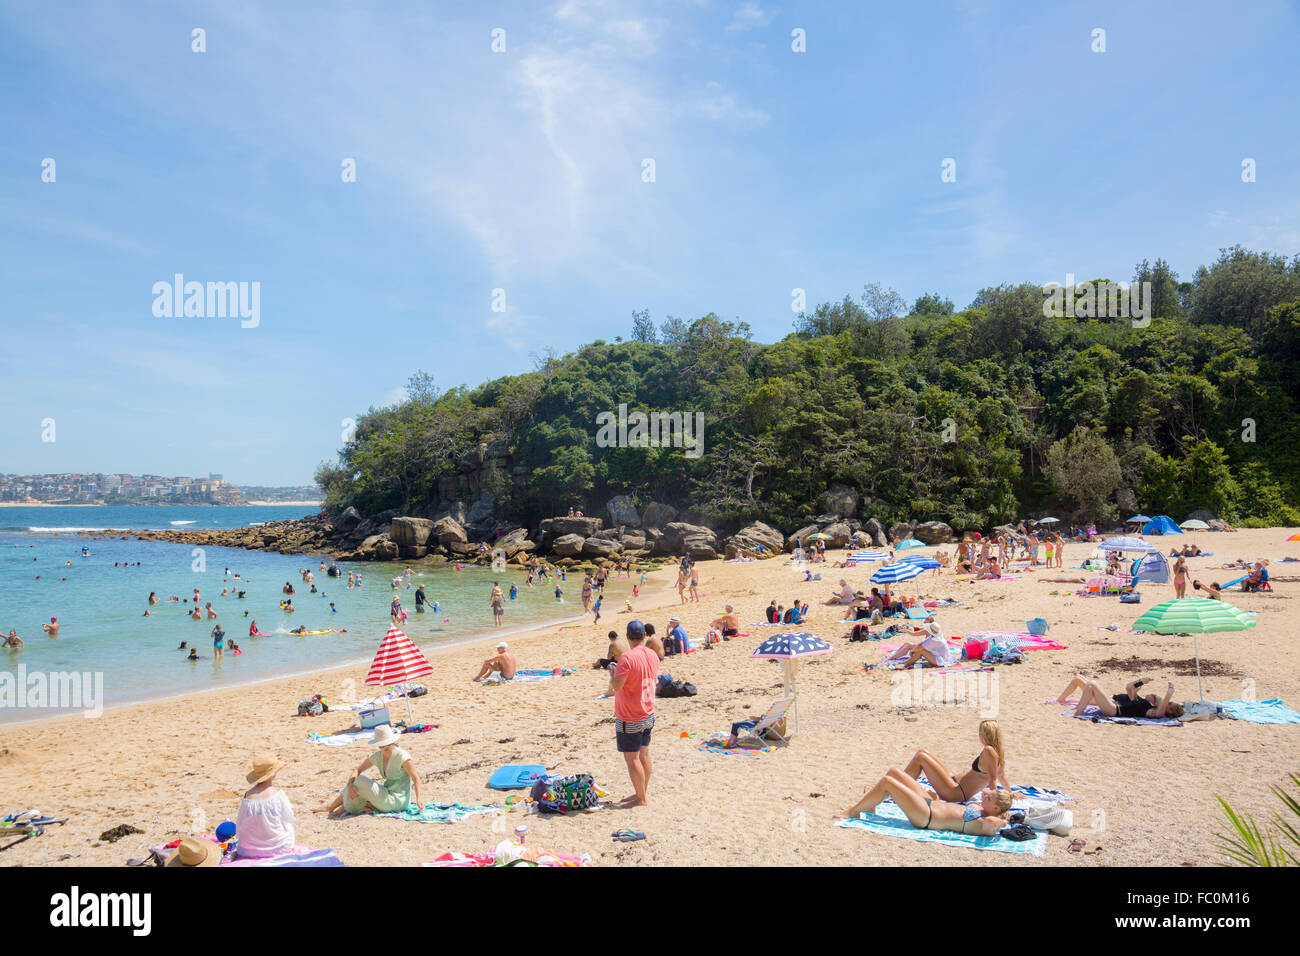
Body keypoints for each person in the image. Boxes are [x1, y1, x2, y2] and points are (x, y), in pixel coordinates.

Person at [836, 770, 1014, 835]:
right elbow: (985, 792)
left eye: (989, 799)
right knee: (894, 773)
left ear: (996, 808)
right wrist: (994, 797)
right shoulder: (983, 809)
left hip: (926, 817)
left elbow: (993, 822)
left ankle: (853, 812)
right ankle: (871, 806)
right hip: (929, 803)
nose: (985, 797)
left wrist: (1004, 819)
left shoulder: (988, 825)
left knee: (887, 783)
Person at [314, 725, 424, 816]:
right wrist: (349, 785)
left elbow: (416, 778)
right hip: (386, 794)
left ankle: (332, 807)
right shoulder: (378, 756)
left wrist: (419, 799)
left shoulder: (402, 756)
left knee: (360, 781)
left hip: (398, 800)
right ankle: (338, 807)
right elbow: (357, 770)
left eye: (387, 743)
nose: (384, 746)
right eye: (381, 744)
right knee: (355, 785)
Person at [608, 620, 657, 807]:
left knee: (633, 759)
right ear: (644, 635)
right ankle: (641, 791)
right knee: (644, 755)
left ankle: (641, 798)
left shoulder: (627, 658)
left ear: (628, 637)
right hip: (648, 712)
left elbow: (617, 686)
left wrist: (612, 673)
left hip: (630, 715)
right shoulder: (651, 654)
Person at [898, 720, 1010, 801]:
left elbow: (992, 779)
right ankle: (900, 784)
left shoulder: (989, 750)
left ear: (982, 735)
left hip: (955, 793)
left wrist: (997, 801)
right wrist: (1010, 793)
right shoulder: (998, 751)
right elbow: (1001, 775)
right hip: (955, 783)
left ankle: (899, 787)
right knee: (923, 752)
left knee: (920, 757)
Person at [235, 753, 296, 859]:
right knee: (288, 825)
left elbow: (240, 823)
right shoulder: (277, 794)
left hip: (247, 850)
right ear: (273, 774)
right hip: (277, 847)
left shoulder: (248, 796)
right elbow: (289, 817)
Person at [1053, 673, 1183, 719]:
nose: (1152, 695)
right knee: (1080, 679)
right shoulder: (1142, 701)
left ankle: (1078, 713)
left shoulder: (1152, 711)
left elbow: (1160, 713)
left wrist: (1169, 695)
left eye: (1169, 704)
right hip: (1113, 704)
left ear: (1167, 708)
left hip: (1114, 710)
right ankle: (1062, 700)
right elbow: (1129, 687)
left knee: (1092, 684)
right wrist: (1142, 681)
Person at [886, 616, 953, 668]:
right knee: (918, 650)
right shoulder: (935, 636)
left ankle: (904, 664)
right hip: (938, 656)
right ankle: (905, 663)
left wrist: (912, 651)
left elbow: (920, 647)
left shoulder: (935, 639)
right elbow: (922, 643)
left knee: (920, 651)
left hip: (942, 660)